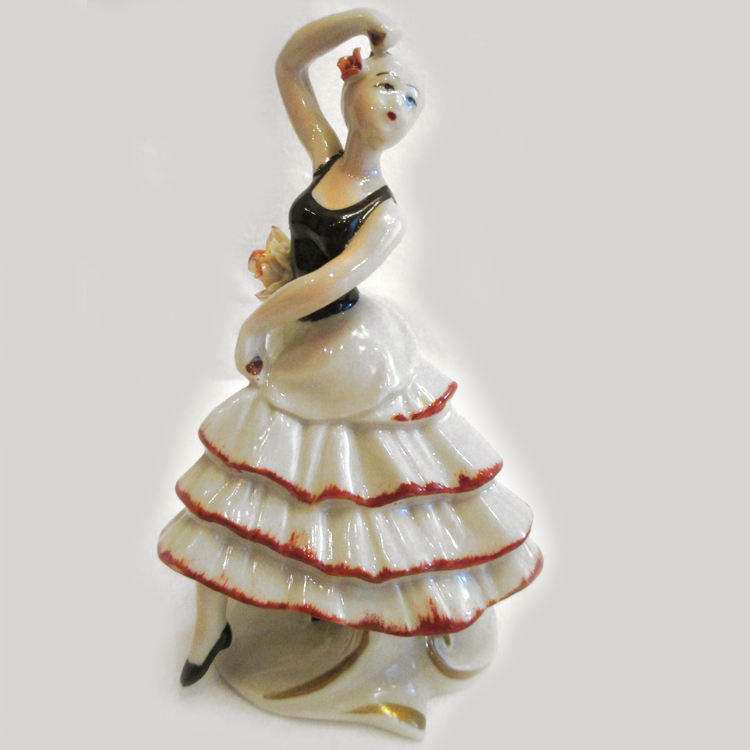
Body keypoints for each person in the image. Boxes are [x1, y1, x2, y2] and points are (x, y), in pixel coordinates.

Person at [158, 9, 542, 688]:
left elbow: (328, 282)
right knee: (247, 476)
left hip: (345, 349)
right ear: (353, 86)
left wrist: (252, 329)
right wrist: (363, 22)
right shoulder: (325, 158)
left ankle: (350, 600)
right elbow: (288, 66)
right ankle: (210, 621)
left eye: (413, 99)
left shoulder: (385, 215)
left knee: (344, 478)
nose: (400, 103)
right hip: (301, 337)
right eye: (388, 84)